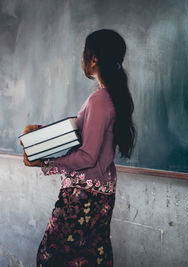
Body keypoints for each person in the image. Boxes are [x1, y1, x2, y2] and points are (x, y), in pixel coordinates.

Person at [21, 29, 136, 266]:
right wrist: (42, 133)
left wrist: (45, 162)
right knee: (91, 256)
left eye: (84, 53)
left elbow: (87, 157)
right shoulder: (110, 98)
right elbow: (82, 135)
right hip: (99, 194)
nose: (81, 59)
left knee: (51, 257)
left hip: (82, 196)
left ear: (94, 59)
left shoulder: (99, 100)